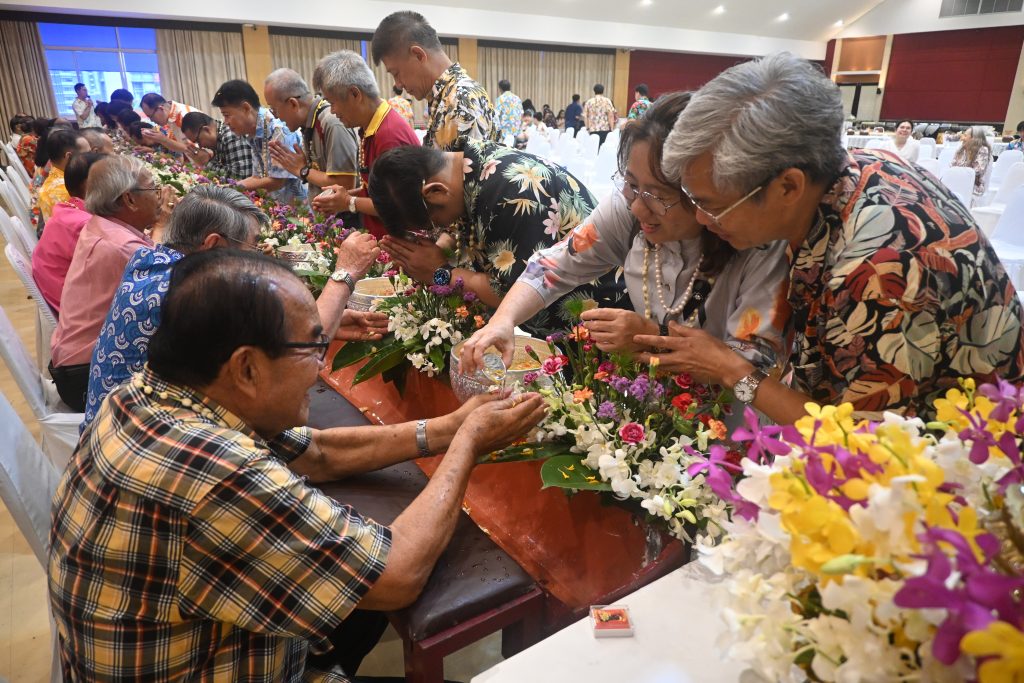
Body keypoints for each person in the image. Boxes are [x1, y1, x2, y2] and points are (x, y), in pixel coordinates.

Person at [50, 247, 546, 682]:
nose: (322, 363)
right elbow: (396, 575)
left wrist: (446, 427)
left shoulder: (145, 395)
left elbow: (319, 453)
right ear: (246, 368)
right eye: (312, 346)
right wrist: (468, 445)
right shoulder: (216, 472)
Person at [655, 52, 1024, 422]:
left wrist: (729, 369)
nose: (702, 219)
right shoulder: (857, 169)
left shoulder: (881, 270)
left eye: (712, 205)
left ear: (788, 187)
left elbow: (855, 441)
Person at [460, 92, 789, 395]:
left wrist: (653, 338)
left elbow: (753, 376)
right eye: (631, 184)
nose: (637, 207)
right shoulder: (630, 206)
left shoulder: (755, 243)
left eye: (659, 195)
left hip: (730, 426)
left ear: (704, 190)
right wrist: (503, 320)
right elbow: (555, 265)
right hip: (650, 405)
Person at [83, 185, 387, 428]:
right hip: (150, 446)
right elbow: (308, 344)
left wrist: (324, 325)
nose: (257, 256)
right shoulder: (190, 294)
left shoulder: (149, 261)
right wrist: (345, 273)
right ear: (213, 245)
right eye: (252, 246)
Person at [369, 140, 629, 335]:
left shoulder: (510, 193)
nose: (439, 231)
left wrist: (440, 272)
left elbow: (514, 294)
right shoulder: (462, 167)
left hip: (602, 324)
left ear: (435, 191)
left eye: (433, 224)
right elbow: (466, 234)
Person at [48, 155, 174, 410]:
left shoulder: (101, 226)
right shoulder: (120, 247)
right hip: (85, 376)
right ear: (129, 199)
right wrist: (162, 226)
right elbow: (165, 281)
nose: (159, 196)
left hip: (75, 364)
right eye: (153, 189)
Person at [310, 50, 420, 238]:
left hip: (400, 244)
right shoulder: (370, 127)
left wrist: (348, 201)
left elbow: (398, 205)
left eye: (332, 103)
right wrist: (341, 197)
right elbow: (377, 191)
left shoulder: (389, 135)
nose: (333, 111)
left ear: (355, 94)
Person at [371, 10, 497, 151]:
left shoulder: (461, 99)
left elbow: (466, 172)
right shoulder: (444, 97)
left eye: (396, 73)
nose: (398, 84)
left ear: (418, 55)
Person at [264, 68, 360, 203]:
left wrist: (302, 170)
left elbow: (345, 184)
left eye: (274, 109)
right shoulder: (310, 123)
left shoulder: (331, 122)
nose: (275, 116)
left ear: (293, 103)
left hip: (344, 219)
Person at [32, 152, 106, 315]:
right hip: (84, 315)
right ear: (94, 184)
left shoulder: (67, 209)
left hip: (68, 300)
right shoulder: (86, 226)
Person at [212, 79, 306, 204]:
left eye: (227, 115)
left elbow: (277, 181)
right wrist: (227, 188)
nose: (225, 122)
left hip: (302, 211)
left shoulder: (279, 130)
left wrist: (232, 188)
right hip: (281, 207)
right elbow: (257, 177)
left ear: (246, 108)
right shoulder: (254, 132)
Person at [179, 111, 254, 179]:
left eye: (198, 141)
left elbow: (240, 178)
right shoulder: (218, 136)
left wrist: (207, 162)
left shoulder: (230, 136)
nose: (200, 146)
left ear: (206, 130)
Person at [37, 128, 89, 221]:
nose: (92, 157)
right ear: (69, 157)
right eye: (87, 154)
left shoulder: (57, 177)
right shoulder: (66, 189)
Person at [951, 125, 993, 199]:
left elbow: (978, 170)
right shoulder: (962, 149)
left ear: (974, 138)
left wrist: (959, 173)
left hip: (973, 185)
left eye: (965, 136)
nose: (962, 138)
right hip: (958, 181)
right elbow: (952, 165)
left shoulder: (983, 150)